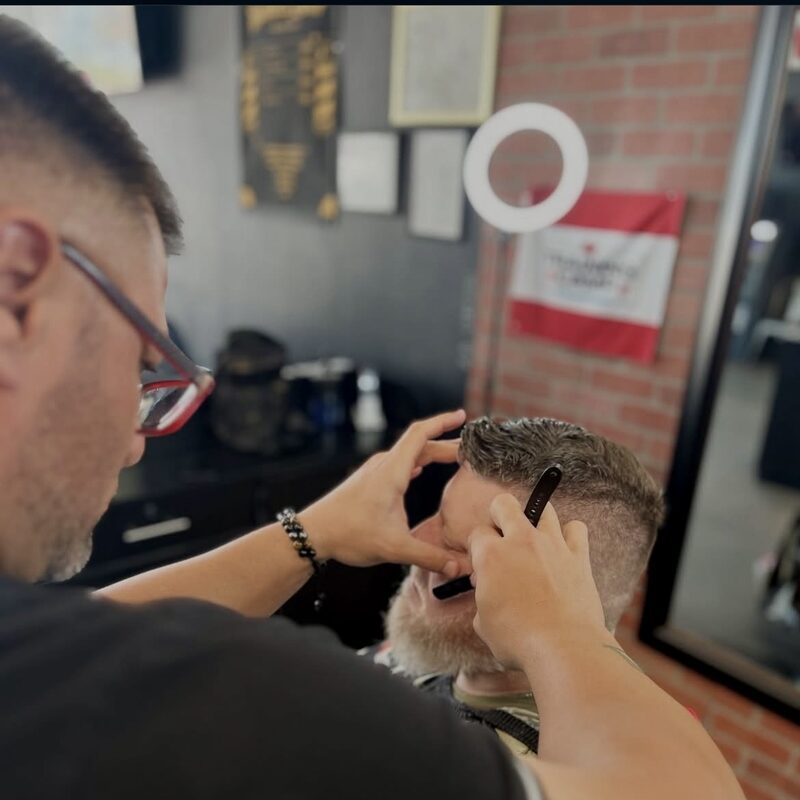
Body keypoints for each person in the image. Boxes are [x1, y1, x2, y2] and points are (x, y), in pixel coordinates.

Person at [0, 15, 744, 800]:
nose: (135, 439)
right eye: (145, 363)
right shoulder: (308, 719)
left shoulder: (46, 673)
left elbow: (82, 650)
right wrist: (567, 632)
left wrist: (310, 533)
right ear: (18, 294)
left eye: (472, 556)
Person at [364, 416, 664, 754]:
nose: (413, 542)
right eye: (439, 516)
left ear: (549, 587)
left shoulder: (516, 775)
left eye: (456, 545)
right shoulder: (439, 647)